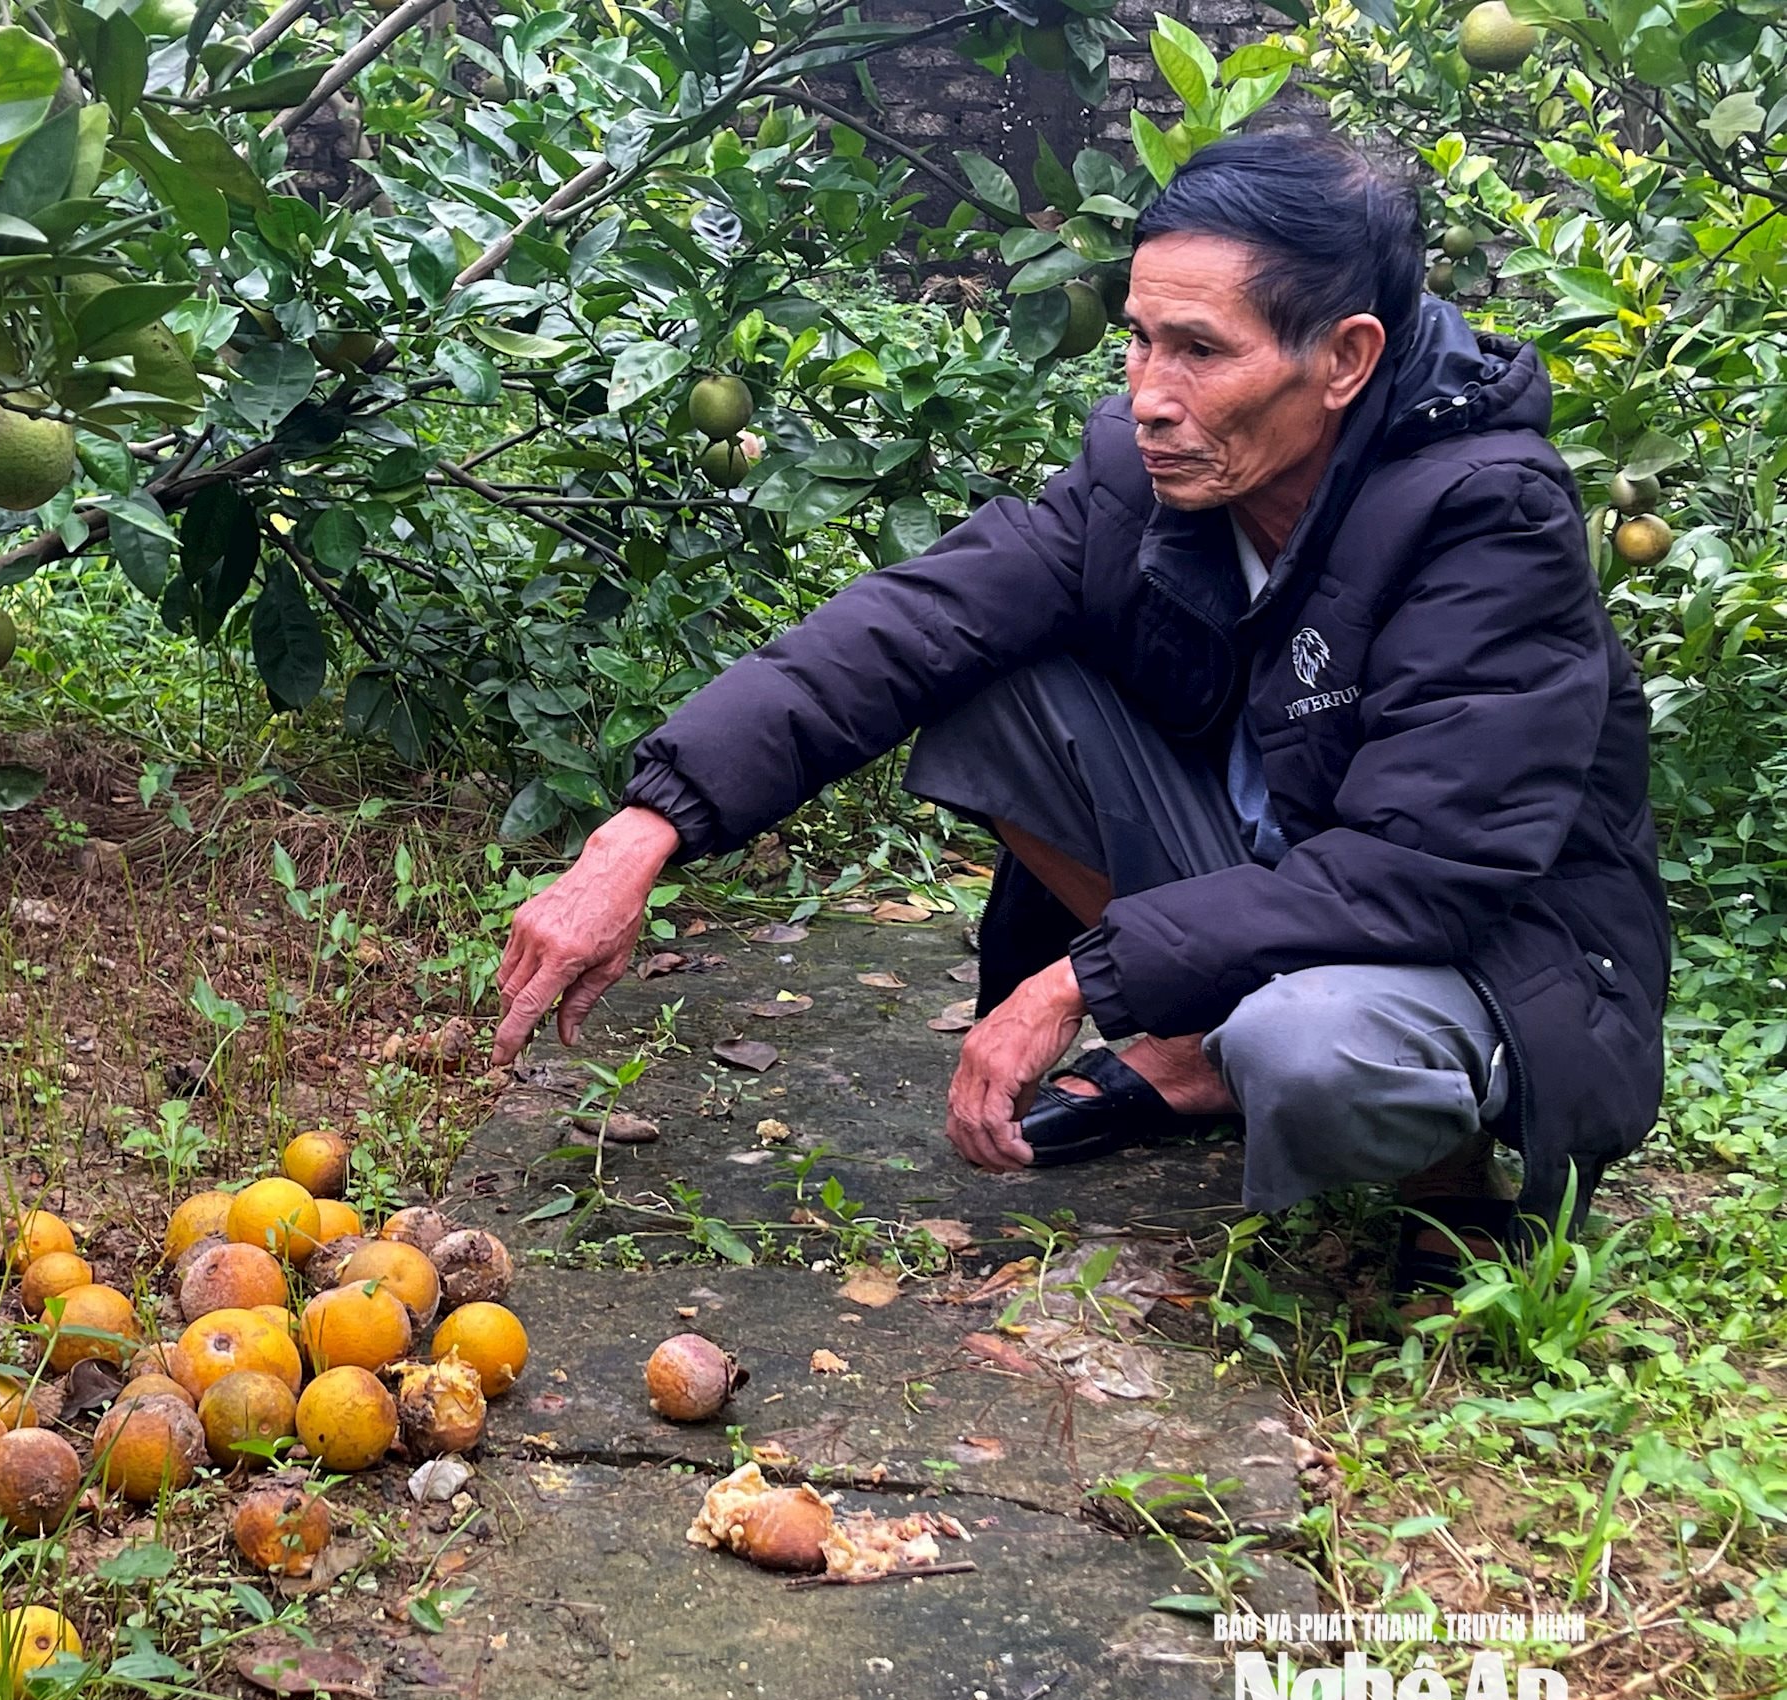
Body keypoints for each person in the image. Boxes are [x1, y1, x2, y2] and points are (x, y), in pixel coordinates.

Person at [488, 129, 1667, 1292]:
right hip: (1270, 870)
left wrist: (1082, 982)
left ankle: (1443, 1172)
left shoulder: (1485, 517)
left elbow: (1423, 866)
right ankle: (1202, 1044)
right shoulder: (1149, 474)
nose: (1151, 398)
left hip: (1479, 937)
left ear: (1344, 359)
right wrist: (642, 832)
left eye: (1200, 351)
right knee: (988, 680)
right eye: (1138, 344)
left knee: (1303, 1051)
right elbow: (912, 622)